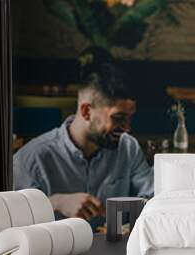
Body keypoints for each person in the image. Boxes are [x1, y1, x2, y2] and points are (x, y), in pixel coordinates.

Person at [13, 62, 153, 226]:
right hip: (58, 250)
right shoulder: (32, 158)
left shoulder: (128, 147)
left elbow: (152, 197)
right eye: (118, 118)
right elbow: (8, 216)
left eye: (130, 118)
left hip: (117, 249)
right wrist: (56, 203)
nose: (127, 128)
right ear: (86, 111)